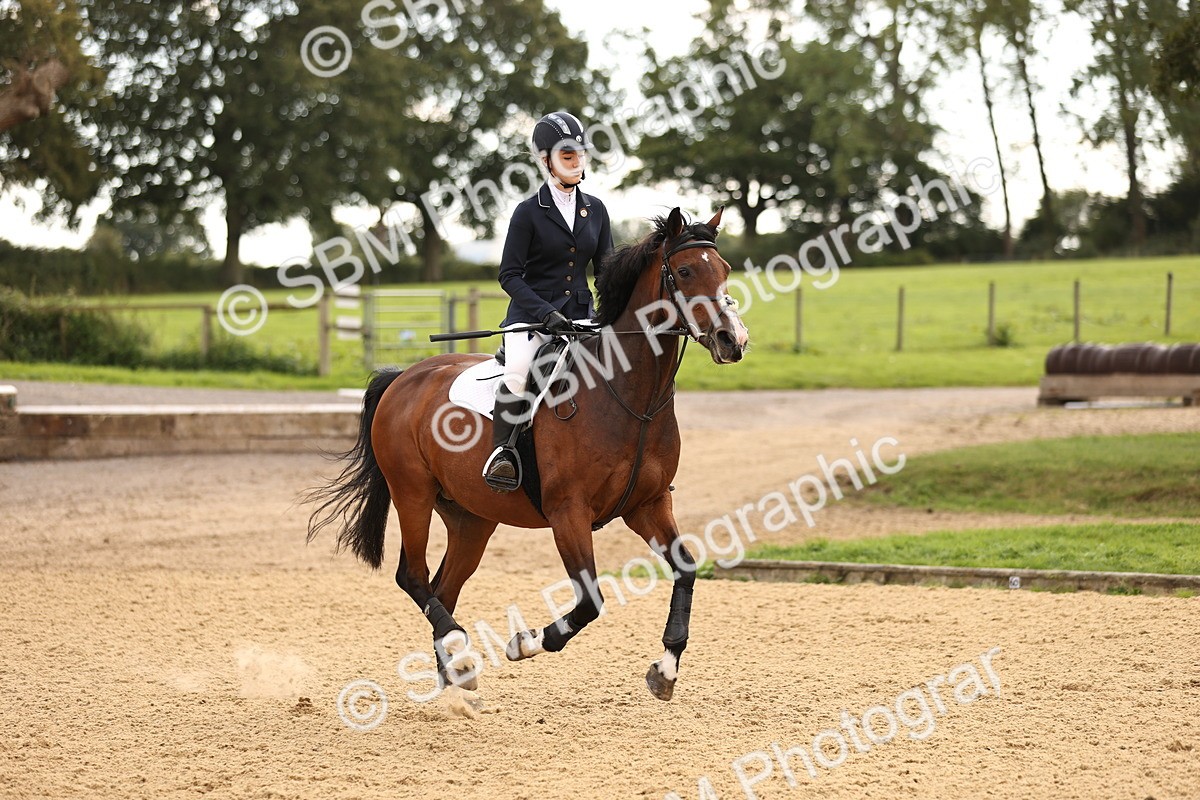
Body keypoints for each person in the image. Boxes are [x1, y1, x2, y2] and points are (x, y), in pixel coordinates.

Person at [482, 111, 613, 492]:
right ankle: (502, 455)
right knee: (520, 372)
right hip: (533, 318)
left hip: (581, 319)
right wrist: (546, 313)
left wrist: (611, 312)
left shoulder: (597, 210)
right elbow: (509, 275)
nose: (576, 163)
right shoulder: (527, 213)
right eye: (567, 156)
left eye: (580, 155)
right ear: (545, 160)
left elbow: (605, 271)